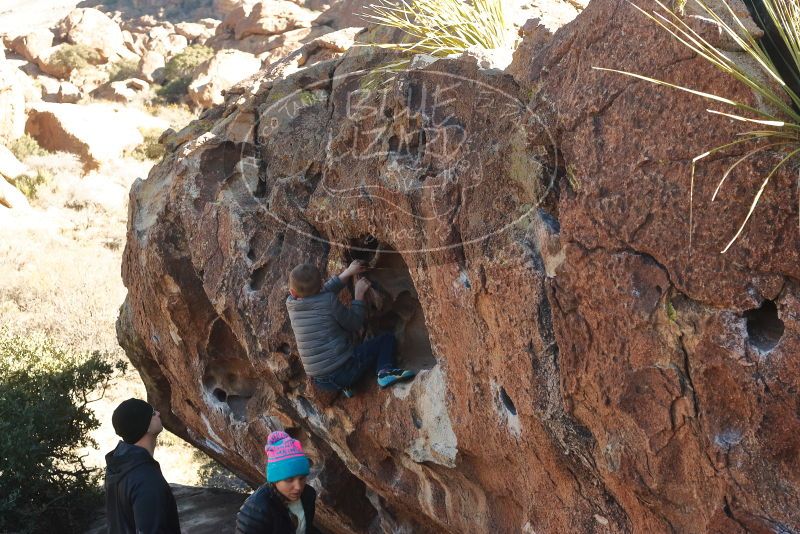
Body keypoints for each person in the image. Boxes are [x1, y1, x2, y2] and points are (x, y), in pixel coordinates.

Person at [285, 260, 415, 396]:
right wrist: (359, 295)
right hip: (343, 372)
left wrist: (348, 272)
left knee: (345, 347)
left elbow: (317, 295)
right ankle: (385, 372)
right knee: (386, 339)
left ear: (292, 292)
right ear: (321, 283)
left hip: (320, 381)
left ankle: (347, 385)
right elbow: (354, 324)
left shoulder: (291, 303)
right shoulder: (328, 300)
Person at [104, 398, 181, 534]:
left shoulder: (118, 467)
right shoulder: (146, 479)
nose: (158, 413)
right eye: (152, 413)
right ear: (145, 426)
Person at [235, 431, 319, 534]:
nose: (298, 487)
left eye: (302, 478)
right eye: (289, 479)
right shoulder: (255, 511)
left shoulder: (308, 495)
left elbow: (307, 528)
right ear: (275, 480)